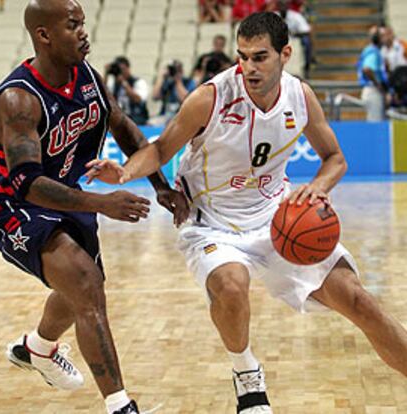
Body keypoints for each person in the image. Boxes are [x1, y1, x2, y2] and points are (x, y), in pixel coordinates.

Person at [86, 11, 407, 414]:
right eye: (243, 56)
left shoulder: (300, 96)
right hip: (211, 222)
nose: (248, 67)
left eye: (260, 57)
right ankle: (246, 372)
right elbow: (160, 149)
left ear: (285, 54)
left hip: (278, 216)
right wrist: (125, 172)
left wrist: (318, 188)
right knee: (232, 286)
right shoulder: (211, 96)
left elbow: (335, 159)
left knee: (361, 302)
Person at [0, 1, 188, 414]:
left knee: (86, 282)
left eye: (83, 22)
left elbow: (121, 125)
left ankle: (38, 348)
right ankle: (121, 406)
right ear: (44, 35)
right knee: (85, 282)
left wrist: (160, 185)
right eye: (73, 24)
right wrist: (104, 202)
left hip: (63, 189)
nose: (84, 31)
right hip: (13, 203)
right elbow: (26, 182)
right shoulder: (17, 100)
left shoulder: (87, 77)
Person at [104, 56, 149, 126]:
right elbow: (102, 92)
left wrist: (123, 82)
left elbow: (138, 99)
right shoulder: (113, 83)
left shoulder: (139, 82)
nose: (121, 72)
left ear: (128, 68)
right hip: (118, 118)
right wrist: (106, 73)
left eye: (122, 69)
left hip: (137, 118)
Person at [357, 26, 389, 121]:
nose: (384, 39)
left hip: (371, 90)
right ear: (377, 38)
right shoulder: (373, 52)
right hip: (373, 91)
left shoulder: (372, 50)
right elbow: (367, 69)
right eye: (382, 36)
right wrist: (378, 84)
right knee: (375, 122)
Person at [151, 59, 196, 124]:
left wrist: (178, 81)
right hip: (166, 115)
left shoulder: (188, 82)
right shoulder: (167, 82)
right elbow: (155, 96)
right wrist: (161, 77)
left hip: (182, 115)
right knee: (150, 123)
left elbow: (186, 100)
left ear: (182, 71)